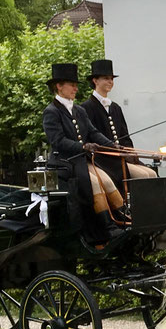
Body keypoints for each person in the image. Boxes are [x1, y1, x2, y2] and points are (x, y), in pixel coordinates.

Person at [42, 62, 126, 242]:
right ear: (59, 86)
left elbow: (93, 132)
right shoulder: (51, 112)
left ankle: (123, 218)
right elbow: (58, 141)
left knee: (107, 181)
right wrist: (82, 147)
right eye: (72, 85)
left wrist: (112, 145)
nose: (76, 89)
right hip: (65, 164)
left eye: (76, 85)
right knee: (95, 184)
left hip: (82, 161)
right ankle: (107, 228)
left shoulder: (79, 110)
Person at [78, 58, 156, 189]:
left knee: (152, 174)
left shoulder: (115, 107)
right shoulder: (86, 107)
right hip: (103, 159)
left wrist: (130, 152)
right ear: (95, 81)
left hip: (120, 158)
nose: (110, 82)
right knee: (143, 175)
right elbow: (89, 137)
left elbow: (125, 136)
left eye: (111, 79)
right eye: (106, 78)